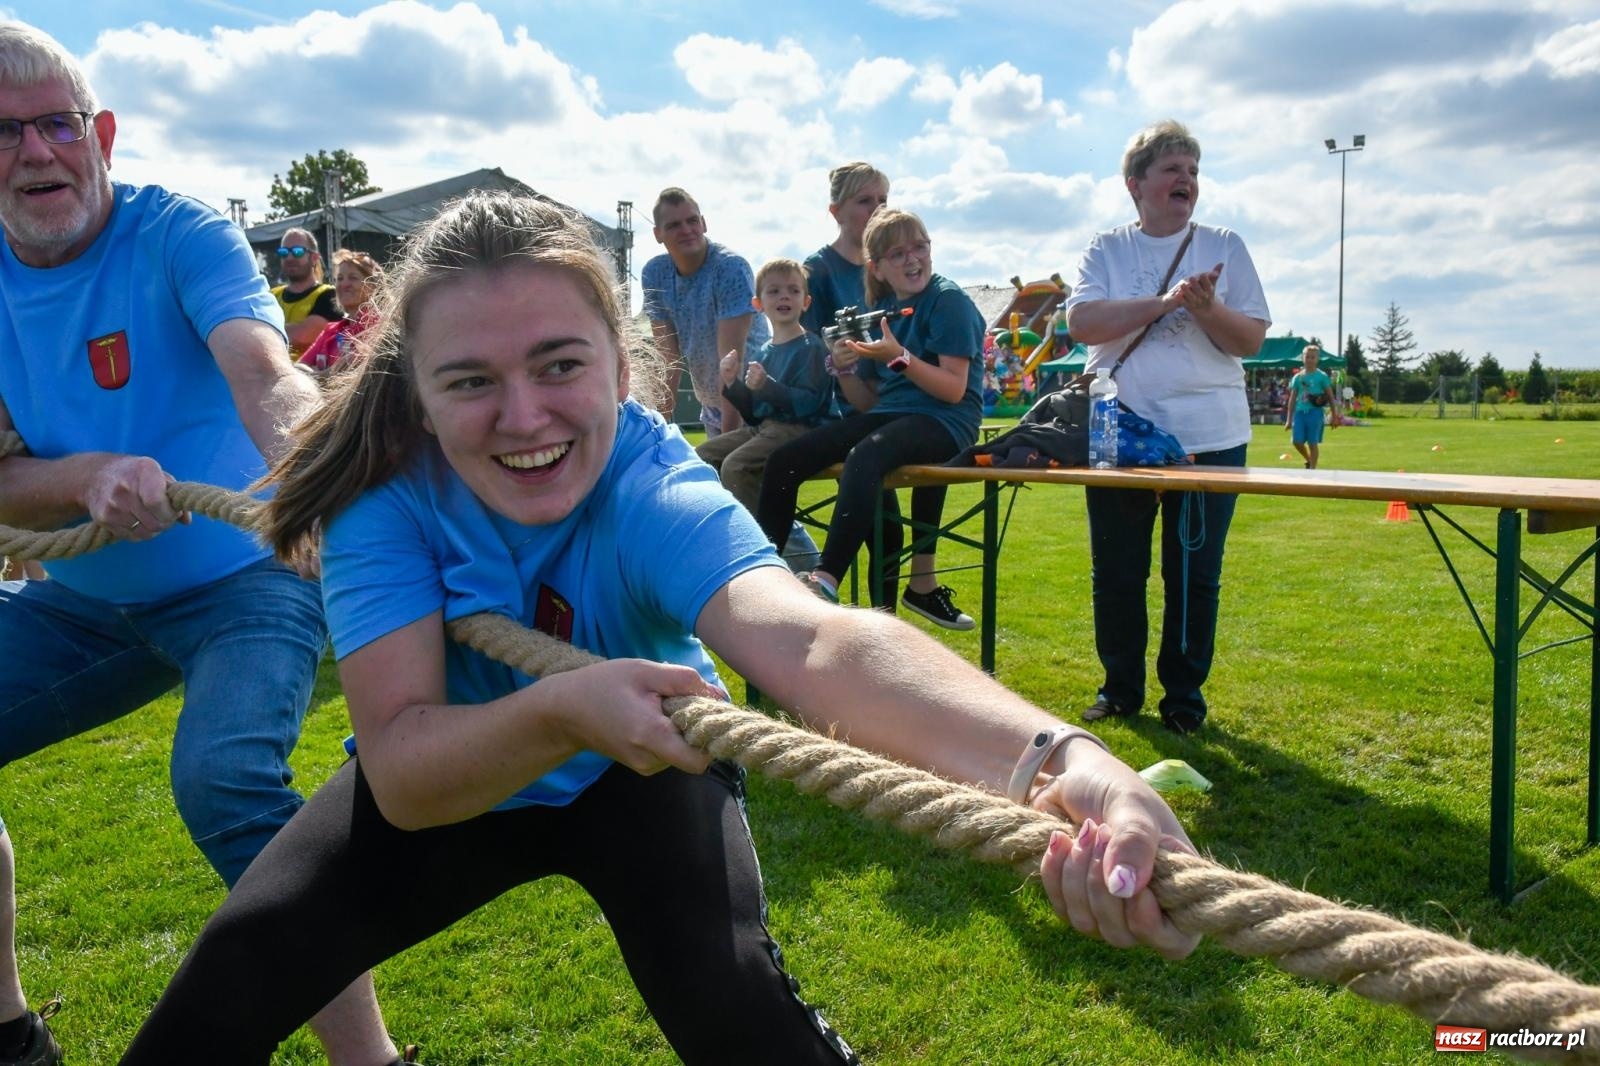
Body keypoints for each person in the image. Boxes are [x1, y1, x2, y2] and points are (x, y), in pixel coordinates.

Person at [121, 191, 1198, 1065]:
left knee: (739, 1018)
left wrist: (1061, 756)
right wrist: (561, 709)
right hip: (457, 769)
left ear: (623, 367)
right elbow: (403, 773)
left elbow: (812, 640)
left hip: (638, 771)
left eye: (559, 364)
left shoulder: (646, 476)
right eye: (470, 381)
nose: (525, 416)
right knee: (215, 1003)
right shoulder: (379, 489)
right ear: (414, 392)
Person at [0, 21, 403, 1066]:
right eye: (3, 133)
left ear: (104, 132)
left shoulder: (178, 232)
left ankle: (374, 1064)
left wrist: (310, 481)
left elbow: (266, 370)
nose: (35, 153)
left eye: (55, 124)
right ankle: (6, 1033)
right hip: (88, 600)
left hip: (245, 578)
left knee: (223, 780)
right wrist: (83, 476)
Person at [1066, 119, 1270, 736]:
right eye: (1173, 169)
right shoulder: (1107, 248)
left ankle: (1183, 700)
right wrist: (1165, 302)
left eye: (1193, 170)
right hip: (1118, 433)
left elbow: (1252, 340)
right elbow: (1082, 324)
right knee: (1118, 570)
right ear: (1136, 184)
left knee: (1193, 575)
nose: (1187, 180)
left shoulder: (1225, 245)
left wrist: (1207, 309)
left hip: (1209, 433)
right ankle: (1119, 690)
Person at [756, 209, 983, 630]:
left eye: (920, 246)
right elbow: (867, 402)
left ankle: (823, 580)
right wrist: (844, 369)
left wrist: (898, 357)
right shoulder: (880, 307)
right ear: (876, 267)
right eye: (898, 253)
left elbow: (953, 388)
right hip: (892, 415)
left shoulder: (947, 299)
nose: (913, 259)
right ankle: (761, 582)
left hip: (947, 420)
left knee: (865, 457)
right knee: (785, 460)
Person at [695, 258, 831, 514]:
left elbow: (809, 404)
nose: (784, 297)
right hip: (765, 429)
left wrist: (767, 386)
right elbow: (754, 414)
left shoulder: (811, 347)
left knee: (736, 466)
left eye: (793, 290)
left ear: (806, 301)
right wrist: (732, 383)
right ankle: (712, 530)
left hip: (800, 430)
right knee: (700, 457)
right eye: (774, 291)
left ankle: (752, 539)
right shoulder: (762, 352)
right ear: (758, 304)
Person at [641, 187, 768, 437]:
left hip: (755, 401)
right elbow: (669, 361)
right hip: (711, 403)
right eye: (674, 225)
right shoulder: (654, 274)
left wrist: (726, 439)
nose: (686, 230)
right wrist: (654, 433)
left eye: (692, 220)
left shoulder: (730, 268)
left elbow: (732, 364)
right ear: (658, 234)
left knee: (732, 470)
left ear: (704, 223)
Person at [299, 248, 383, 375]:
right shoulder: (331, 330)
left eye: (353, 278)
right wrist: (324, 375)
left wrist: (315, 375)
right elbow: (298, 367)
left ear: (372, 286)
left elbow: (352, 372)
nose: (344, 284)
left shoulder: (379, 327)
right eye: (340, 278)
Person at [273, 226, 345, 357]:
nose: (289, 257)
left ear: (314, 258)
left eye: (297, 252)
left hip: (308, 375)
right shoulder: (271, 295)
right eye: (283, 252)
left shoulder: (329, 295)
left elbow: (303, 336)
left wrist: (261, 330)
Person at [1286, 343, 1336, 469]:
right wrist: (1288, 419)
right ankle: (1309, 459)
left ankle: (1312, 470)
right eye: (1307, 357)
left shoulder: (1322, 377)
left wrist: (1334, 416)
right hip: (1299, 413)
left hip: (1315, 413)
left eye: (1313, 357)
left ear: (1317, 359)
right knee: (1296, 441)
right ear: (1303, 358)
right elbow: (1292, 399)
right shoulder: (1297, 377)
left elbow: (1330, 396)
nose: (1309, 360)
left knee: (1312, 443)